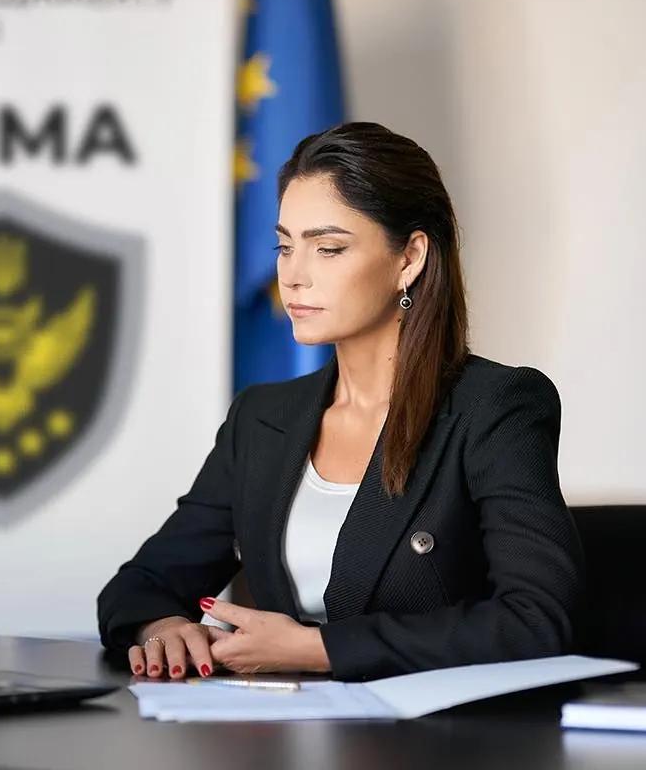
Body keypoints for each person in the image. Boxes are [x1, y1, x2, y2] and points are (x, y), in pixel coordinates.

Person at [96, 122, 585, 682]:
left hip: (436, 728)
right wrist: (162, 627)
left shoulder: (496, 406)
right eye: (285, 246)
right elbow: (140, 586)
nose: (292, 276)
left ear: (409, 258)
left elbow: (538, 620)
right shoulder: (262, 417)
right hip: (281, 723)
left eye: (328, 249)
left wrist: (318, 649)